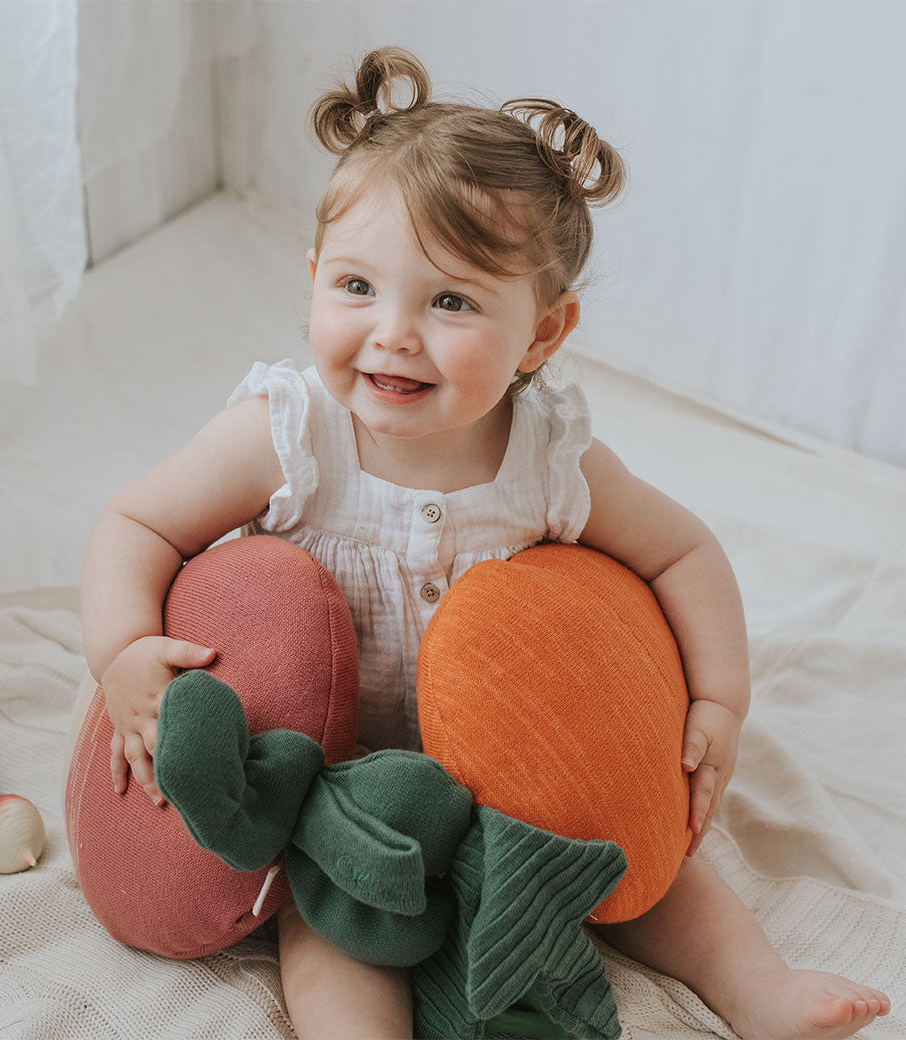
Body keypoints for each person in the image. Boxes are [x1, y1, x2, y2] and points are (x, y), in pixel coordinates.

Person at [80, 46, 890, 1040]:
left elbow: (681, 552)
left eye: (450, 301)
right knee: (335, 918)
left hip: (512, 772)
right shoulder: (287, 434)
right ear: (310, 279)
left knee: (645, 870)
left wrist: (719, 699)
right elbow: (137, 522)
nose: (392, 332)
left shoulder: (544, 459)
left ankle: (758, 988)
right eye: (356, 285)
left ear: (542, 335)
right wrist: (121, 649)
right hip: (345, 786)